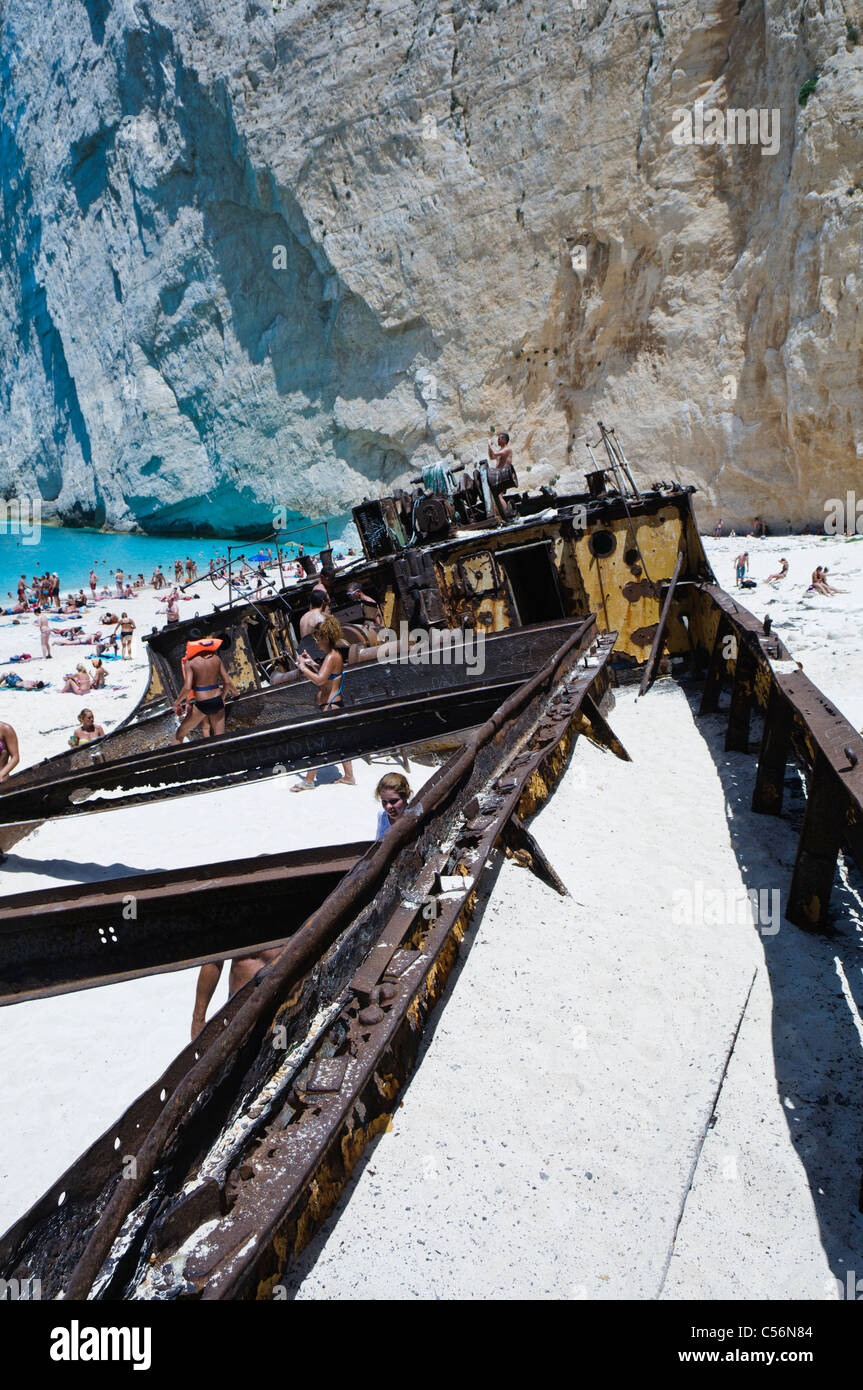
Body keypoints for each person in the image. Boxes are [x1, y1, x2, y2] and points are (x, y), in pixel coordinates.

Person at [293, 616, 355, 790]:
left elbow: (320, 681)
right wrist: (312, 664)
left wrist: (303, 668)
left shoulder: (330, 657)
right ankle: (349, 776)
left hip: (330, 706)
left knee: (318, 743)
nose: (317, 642)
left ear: (326, 638)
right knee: (340, 741)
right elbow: (327, 676)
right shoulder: (333, 655)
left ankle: (309, 781)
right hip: (335, 704)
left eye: (318, 638)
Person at [191, 947, 282, 1039]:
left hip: (281, 1010)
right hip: (238, 1011)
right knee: (237, 1050)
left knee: (282, 1049)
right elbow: (214, 962)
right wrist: (198, 1019)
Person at [173, 642, 238, 742]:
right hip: (217, 700)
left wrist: (177, 702)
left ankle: (176, 757)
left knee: (180, 734)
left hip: (202, 703)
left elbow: (187, 687)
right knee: (220, 739)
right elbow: (227, 682)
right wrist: (223, 698)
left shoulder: (190, 662)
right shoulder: (216, 658)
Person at [374, 773, 411, 838]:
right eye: (384, 802)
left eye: (393, 801)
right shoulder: (383, 818)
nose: (388, 807)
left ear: (406, 796)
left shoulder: (414, 821)